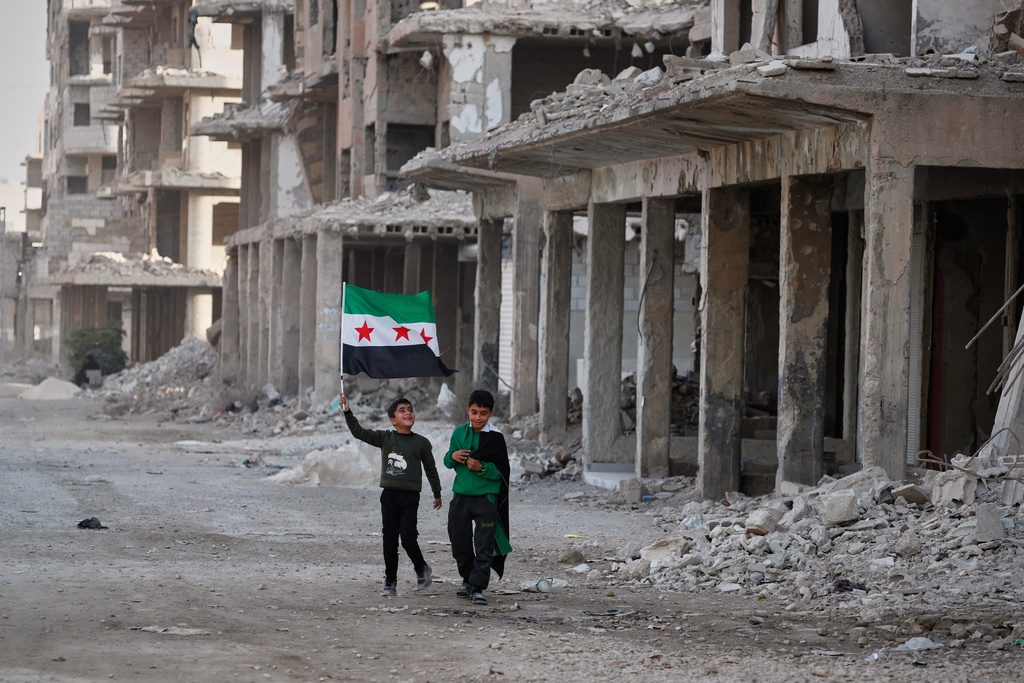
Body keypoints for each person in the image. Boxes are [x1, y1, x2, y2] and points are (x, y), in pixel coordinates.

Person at [339, 394, 442, 597]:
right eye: (402, 410)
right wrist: (347, 411)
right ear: (393, 420)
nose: (408, 413)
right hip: (389, 497)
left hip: (410, 498)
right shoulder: (386, 438)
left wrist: (437, 492)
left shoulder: (421, 443)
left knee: (408, 539)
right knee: (389, 541)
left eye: (410, 409)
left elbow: (431, 469)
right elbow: (359, 432)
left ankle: (421, 567)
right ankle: (390, 581)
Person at [444, 389, 511, 605]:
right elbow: (447, 461)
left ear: (490, 413)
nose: (478, 417)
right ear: (467, 410)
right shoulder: (458, 434)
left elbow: (502, 471)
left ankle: (478, 586)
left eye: (483, 413)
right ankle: (466, 579)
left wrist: (482, 467)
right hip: (461, 497)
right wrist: (453, 456)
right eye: (474, 412)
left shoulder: (495, 438)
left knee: (484, 544)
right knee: (459, 541)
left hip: (486, 499)